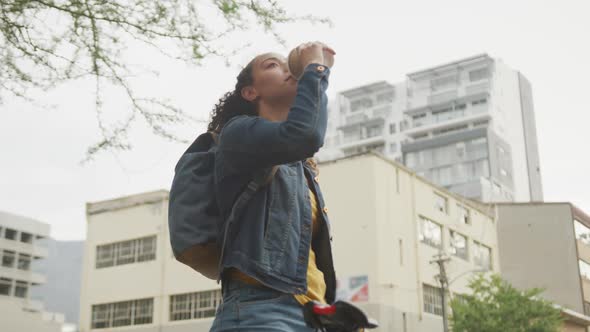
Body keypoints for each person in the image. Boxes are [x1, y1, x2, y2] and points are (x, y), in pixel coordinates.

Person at [208, 42, 337, 331]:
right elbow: (305, 135)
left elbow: (303, 136)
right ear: (251, 92)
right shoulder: (237, 134)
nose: (286, 68)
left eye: (285, 62)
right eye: (272, 65)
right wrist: (316, 69)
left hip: (311, 314)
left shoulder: (299, 166)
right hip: (262, 310)